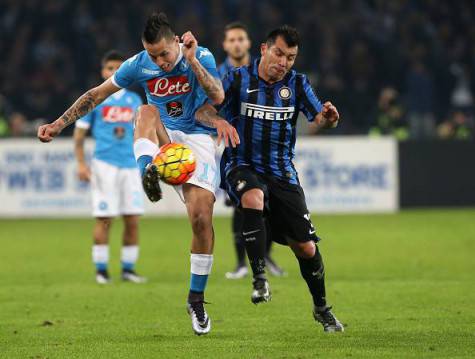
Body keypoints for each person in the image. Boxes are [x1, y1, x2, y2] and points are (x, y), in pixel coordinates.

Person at [37, 12, 237, 336]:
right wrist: (59, 124)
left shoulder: (199, 55)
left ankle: (196, 298)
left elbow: (217, 97)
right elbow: (96, 94)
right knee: (145, 110)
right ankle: (148, 171)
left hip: (197, 140)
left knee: (201, 221)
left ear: (176, 42)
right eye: (153, 55)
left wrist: (191, 61)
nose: (159, 62)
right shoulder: (138, 64)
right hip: (163, 136)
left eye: (164, 54)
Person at [195, 25, 344, 332]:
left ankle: (321, 308)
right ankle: (259, 279)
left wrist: (329, 120)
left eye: (290, 57)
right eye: (279, 53)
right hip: (241, 162)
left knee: (306, 248)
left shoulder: (298, 83)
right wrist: (220, 120)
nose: (284, 62)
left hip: (282, 172)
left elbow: (318, 119)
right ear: (263, 49)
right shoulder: (237, 78)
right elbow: (202, 112)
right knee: (253, 196)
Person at [218, 22, 285, 279]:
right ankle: (241, 264)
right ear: (225, 45)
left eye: (240, 39)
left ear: (248, 43)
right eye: (231, 39)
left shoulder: (263, 70)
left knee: (268, 203)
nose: (236, 43)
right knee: (240, 204)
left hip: (265, 147)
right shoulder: (217, 74)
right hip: (232, 149)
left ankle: (265, 256)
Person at [73, 50, 145, 284]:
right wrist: (82, 164)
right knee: (105, 219)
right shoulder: (96, 99)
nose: (114, 72)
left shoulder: (134, 101)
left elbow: (143, 132)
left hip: (130, 166)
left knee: (132, 219)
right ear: (102, 72)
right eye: (109, 68)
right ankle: (101, 270)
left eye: (118, 68)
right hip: (104, 165)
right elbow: (79, 134)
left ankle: (128, 269)